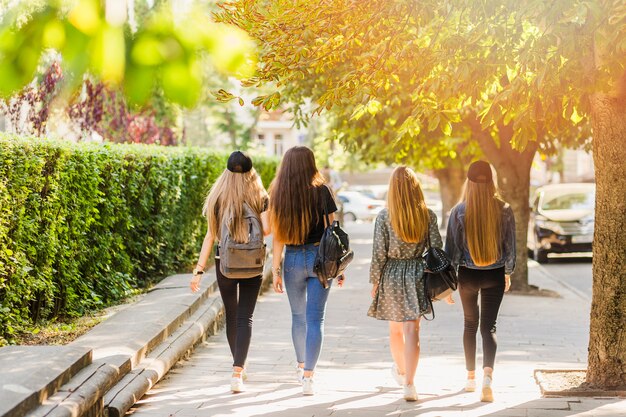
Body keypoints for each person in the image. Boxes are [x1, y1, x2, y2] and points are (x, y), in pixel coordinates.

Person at [190, 151, 271, 394]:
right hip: (253, 264)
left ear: (227, 172)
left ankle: (238, 363)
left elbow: (210, 236)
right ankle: (238, 371)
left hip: (224, 264)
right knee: (246, 317)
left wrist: (199, 270)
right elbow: (266, 230)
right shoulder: (260, 196)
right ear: (251, 172)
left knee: (232, 316)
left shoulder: (217, 197)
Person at [269, 146, 343, 396]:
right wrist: (339, 266)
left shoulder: (279, 192)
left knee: (298, 317)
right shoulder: (322, 191)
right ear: (311, 164)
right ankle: (309, 377)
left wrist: (275, 269)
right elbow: (333, 231)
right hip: (319, 258)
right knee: (315, 319)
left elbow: (277, 235)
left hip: (292, 259)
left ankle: (301, 366)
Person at [368, 166, 443, 402]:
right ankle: (409, 384)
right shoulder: (427, 215)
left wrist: (375, 281)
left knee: (395, 329)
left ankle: (401, 372)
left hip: (390, 273)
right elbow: (437, 249)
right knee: (413, 330)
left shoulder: (384, 216)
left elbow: (379, 253)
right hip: (417, 273)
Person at [444, 160, 515, 403]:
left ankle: (470, 379)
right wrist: (507, 272)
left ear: (469, 183)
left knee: (469, 325)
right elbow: (510, 249)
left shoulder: (458, 211)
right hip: (494, 274)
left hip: (467, 275)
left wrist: (450, 283)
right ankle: (488, 379)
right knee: (489, 327)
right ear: (491, 182)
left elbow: (450, 251)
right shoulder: (504, 209)